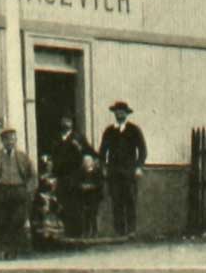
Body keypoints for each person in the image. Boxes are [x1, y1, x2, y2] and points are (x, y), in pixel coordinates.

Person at [0, 127, 36, 259]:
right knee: (2, 221)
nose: (10, 142)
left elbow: (32, 176)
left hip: (19, 191)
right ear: (2, 140)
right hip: (1, 191)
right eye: (7, 139)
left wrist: (29, 190)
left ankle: (13, 249)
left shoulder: (23, 157)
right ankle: (3, 250)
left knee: (17, 220)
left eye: (13, 139)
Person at [98, 101, 148, 238]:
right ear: (114, 113)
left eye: (122, 111)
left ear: (127, 113)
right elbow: (102, 151)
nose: (119, 113)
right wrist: (103, 167)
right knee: (116, 201)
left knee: (130, 200)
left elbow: (142, 150)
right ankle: (119, 232)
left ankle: (131, 231)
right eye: (117, 111)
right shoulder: (109, 131)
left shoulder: (133, 130)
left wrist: (138, 167)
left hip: (129, 171)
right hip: (113, 171)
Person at [49, 114, 98, 238]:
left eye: (68, 121)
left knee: (75, 205)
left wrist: (87, 161)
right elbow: (51, 156)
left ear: (72, 123)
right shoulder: (56, 138)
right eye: (64, 120)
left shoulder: (78, 138)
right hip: (60, 177)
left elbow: (90, 152)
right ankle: (67, 233)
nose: (66, 123)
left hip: (75, 176)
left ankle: (77, 234)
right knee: (63, 204)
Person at [76, 154, 104, 238]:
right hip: (84, 196)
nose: (87, 163)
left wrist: (92, 186)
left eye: (89, 161)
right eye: (85, 161)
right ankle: (86, 231)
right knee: (85, 214)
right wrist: (82, 186)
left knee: (93, 214)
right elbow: (77, 182)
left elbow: (100, 183)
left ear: (92, 162)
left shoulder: (97, 171)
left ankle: (95, 232)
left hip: (94, 196)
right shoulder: (81, 172)